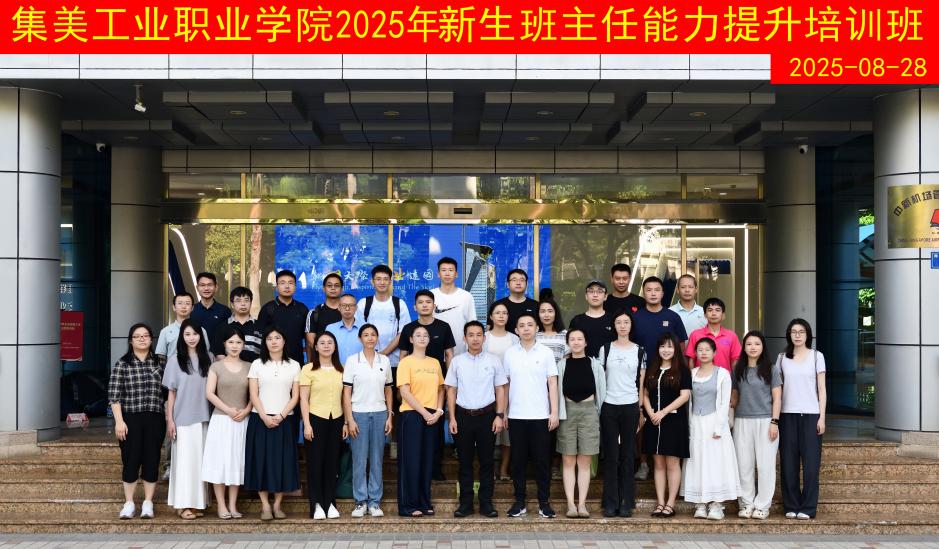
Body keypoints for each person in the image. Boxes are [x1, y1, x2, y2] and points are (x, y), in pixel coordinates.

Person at [446, 320, 507, 518]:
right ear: (464, 338)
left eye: (479, 335)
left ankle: (486, 503)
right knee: (464, 462)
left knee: (487, 461)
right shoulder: (457, 362)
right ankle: (465, 503)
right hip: (463, 416)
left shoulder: (493, 361)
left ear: (484, 337)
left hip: (487, 417)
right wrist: (452, 418)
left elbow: (500, 389)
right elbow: (451, 390)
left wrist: (499, 415)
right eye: (470, 335)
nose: (475, 339)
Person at [503, 313, 559, 519]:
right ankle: (519, 502)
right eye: (522, 325)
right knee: (518, 461)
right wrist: (504, 412)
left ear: (537, 328)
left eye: (530, 325)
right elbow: (505, 384)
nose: (526, 328)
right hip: (516, 416)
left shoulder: (546, 353)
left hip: (541, 416)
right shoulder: (510, 353)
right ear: (516, 330)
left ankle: (544, 503)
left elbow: (552, 383)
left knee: (542, 461)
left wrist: (554, 412)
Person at [631, 276, 687, 481]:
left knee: (669, 417)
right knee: (644, 417)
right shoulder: (636, 317)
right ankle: (644, 462)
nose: (653, 293)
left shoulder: (672, 317)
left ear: (663, 293)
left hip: (670, 375)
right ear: (643, 293)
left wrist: (680, 372)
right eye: (649, 290)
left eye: (657, 290)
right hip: (643, 374)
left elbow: (681, 347)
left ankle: (666, 462)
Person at [108, 323, 166, 520]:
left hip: (155, 418)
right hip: (130, 419)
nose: (142, 339)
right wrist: (119, 421)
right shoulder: (122, 364)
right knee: (130, 460)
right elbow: (114, 395)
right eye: (137, 336)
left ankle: (148, 503)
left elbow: (168, 392)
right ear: (130, 341)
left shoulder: (160, 362)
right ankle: (129, 503)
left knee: (152, 459)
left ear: (151, 339)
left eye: (146, 335)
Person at [244, 326, 301, 521]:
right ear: (265, 342)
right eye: (269, 338)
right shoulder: (257, 364)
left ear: (284, 341)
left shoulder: (294, 365)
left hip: (284, 419)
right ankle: (265, 506)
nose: (274, 341)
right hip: (259, 419)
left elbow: (295, 396)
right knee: (261, 461)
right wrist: (264, 416)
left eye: (278, 338)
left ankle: (277, 505)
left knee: (281, 462)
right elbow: (253, 394)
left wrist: (281, 415)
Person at [398, 289, 456, 481]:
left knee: (436, 430)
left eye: (428, 302)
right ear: (415, 307)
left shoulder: (443, 327)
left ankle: (435, 470)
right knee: (414, 435)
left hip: (436, 383)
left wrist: (450, 382)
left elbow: (449, 354)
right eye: (420, 302)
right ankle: (415, 473)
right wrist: (403, 385)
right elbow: (403, 355)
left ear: (434, 305)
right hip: (413, 384)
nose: (424, 305)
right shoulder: (408, 328)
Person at [682, 337, 739, 521]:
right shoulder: (691, 374)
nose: (704, 353)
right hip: (696, 423)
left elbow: (724, 402)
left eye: (707, 349)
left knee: (716, 462)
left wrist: (719, 427)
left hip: (715, 422)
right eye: (700, 350)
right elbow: (689, 401)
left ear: (714, 353)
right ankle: (700, 503)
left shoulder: (722, 374)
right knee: (698, 461)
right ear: (695, 353)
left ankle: (716, 504)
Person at [597, 309, 646, 517]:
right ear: (614, 326)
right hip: (609, 405)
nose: (623, 325)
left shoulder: (640, 351)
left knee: (627, 455)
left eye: (626, 322)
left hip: (630, 405)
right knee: (611, 455)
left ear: (631, 325)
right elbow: (600, 378)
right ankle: (610, 502)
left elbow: (641, 382)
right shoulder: (605, 349)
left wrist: (640, 409)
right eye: (619, 322)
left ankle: (626, 502)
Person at [342, 324, 394, 518]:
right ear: (360, 339)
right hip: (359, 414)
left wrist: (389, 415)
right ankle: (360, 502)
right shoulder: (352, 361)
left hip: (380, 414)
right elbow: (346, 393)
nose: (370, 338)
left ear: (377, 337)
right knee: (359, 460)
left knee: (377, 460)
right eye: (366, 335)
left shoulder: (385, 361)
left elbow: (388, 389)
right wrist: (349, 419)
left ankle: (374, 502)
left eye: (373, 334)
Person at [162, 319, 212, 520]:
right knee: (184, 464)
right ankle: (183, 505)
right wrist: (170, 420)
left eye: (195, 334)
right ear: (182, 337)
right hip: (182, 420)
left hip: (204, 419)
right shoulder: (175, 360)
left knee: (200, 464)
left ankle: (198, 504)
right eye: (187, 334)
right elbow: (171, 394)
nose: (192, 338)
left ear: (201, 336)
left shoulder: (209, 358)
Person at [778, 318, 827, 520]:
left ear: (808, 335)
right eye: (793, 332)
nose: (797, 335)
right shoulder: (782, 358)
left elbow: (822, 389)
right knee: (788, 464)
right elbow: (777, 390)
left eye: (801, 332)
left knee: (811, 466)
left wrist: (822, 417)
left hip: (811, 415)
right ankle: (791, 505)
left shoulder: (817, 356)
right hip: (787, 415)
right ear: (789, 334)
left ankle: (807, 507)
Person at [731, 330, 782, 520]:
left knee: (765, 466)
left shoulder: (771, 369)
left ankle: (762, 506)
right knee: (743, 466)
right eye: (749, 344)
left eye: (757, 344)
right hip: (742, 421)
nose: (753, 347)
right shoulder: (738, 369)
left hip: (766, 421)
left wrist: (774, 422)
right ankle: (746, 504)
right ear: (744, 347)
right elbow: (734, 397)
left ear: (763, 347)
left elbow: (777, 398)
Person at [202, 325, 251, 519]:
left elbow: (254, 394)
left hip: (242, 420)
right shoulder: (216, 367)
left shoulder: (250, 366)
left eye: (238, 342)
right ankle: (221, 506)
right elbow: (209, 393)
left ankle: (232, 505)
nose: (235, 345)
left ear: (243, 344)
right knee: (219, 462)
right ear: (224, 344)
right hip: (221, 420)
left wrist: (246, 410)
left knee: (236, 462)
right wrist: (228, 410)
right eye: (231, 342)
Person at [396, 325, 446, 517]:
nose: (422, 338)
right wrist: (425, 413)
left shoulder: (435, 362)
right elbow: (405, 391)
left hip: (433, 416)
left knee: (427, 461)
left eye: (425, 335)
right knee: (411, 460)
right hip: (412, 415)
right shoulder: (405, 362)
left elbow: (441, 389)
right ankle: (408, 505)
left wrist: (439, 411)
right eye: (418, 335)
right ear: (411, 340)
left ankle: (424, 502)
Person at [556, 329, 605, 519]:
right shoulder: (562, 364)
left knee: (584, 460)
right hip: (567, 412)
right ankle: (570, 504)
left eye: (580, 339)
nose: (576, 342)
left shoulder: (595, 364)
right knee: (568, 459)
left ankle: (582, 504)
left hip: (589, 411)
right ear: (568, 342)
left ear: (585, 342)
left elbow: (602, 391)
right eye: (572, 339)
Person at [642, 333, 691, 519]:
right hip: (654, 421)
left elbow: (685, 396)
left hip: (674, 421)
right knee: (658, 463)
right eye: (663, 346)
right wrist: (651, 413)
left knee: (672, 462)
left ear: (676, 349)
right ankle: (660, 502)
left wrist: (663, 412)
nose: (666, 350)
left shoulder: (682, 370)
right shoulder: (652, 369)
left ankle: (671, 503)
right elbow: (645, 394)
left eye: (670, 346)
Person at [300, 331, 348, 520]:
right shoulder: (308, 369)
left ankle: (330, 503)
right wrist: (306, 424)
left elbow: (345, 399)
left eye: (330, 342)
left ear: (335, 347)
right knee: (315, 464)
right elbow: (303, 399)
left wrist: (345, 422)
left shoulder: (341, 369)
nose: (326, 345)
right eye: (322, 342)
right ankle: (317, 504)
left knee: (332, 463)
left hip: (336, 420)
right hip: (315, 420)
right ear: (316, 347)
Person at [482, 301, 519, 481]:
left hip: (510, 390)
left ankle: (504, 469)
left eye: (504, 313)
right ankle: (489, 469)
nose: (501, 316)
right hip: (486, 391)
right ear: (491, 316)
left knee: (506, 433)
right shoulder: (484, 337)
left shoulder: (514, 339)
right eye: (497, 313)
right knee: (488, 432)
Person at [355, 264, 411, 368]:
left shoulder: (399, 304)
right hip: (367, 362)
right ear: (372, 282)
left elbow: (403, 333)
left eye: (385, 279)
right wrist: (375, 355)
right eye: (378, 279)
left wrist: (383, 353)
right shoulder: (363, 304)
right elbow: (359, 332)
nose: (382, 282)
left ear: (390, 282)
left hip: (394, 363)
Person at [257, 270, 309, 364]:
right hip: (272, 362)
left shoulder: (302, 309)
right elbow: (260, 338)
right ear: (277, 287)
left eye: (290, 283)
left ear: (295, 287)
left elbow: (307, 338)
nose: (287, 286)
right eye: (282, 283)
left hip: (297, 361)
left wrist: (309, 361)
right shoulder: (267, 309)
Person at [432, 256, 477, 355]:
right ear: (438, 274)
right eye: (444, 270)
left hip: (460, 350)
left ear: (456, 274)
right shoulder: (431, 295)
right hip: (434, 350)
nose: (447, 273)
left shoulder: (466, 296)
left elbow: (472, 325)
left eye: (451, 270)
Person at [686, 297, 742, 371]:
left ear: (723, 315)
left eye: (717, 310)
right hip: (700, 377)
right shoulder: (695, 335)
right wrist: (692, 377)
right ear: (705, 315)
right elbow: (691, 360)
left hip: (724, 377)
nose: (714, 313)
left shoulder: (731, 336)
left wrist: (734, 377)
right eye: (710, 310)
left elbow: (735, 360)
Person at [212, 286, 262, 363]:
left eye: (246, 300)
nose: (243, 304)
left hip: (255, 369)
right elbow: (219, 353)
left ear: (251, 303)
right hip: (229, 370)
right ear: (232, 304)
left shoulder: (261, 326)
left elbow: (265, 354)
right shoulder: (223, 327)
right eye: (238, 300)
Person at [568, 280, 615, 358]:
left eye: (599, 291)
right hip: (584, 364)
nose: (595, 295)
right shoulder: (577, 321)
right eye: (591, 291)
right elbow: (571, 347)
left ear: (605, 296)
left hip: (609, 364)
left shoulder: (614, 320)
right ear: (586, 296)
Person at [155, 292, 210, 359]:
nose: (183, 307)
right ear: (174, 307)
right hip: (172, 365)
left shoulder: (201, 330)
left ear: (192, 308)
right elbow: (161, 356)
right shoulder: (165, 331)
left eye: (187, 303)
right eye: (180, 303)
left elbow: (206, 353)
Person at [305, 273, 344, 362]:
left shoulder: (349, 312)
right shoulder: (314, 313)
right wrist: (327, 353)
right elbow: (311, 340)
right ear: (324, 289)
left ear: (342, 289)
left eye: (336, 285)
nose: (333, 288)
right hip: (322, 362)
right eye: (329, 285)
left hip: (346, 360)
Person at [192, 272, 231, 353]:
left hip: (219, 356)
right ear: (197, 288)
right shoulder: (191, 310)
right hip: (196, 355)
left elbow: (230, 335)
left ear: (216, 287)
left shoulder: (224, 311)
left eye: (210, 285)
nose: (206, 288)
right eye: (202, 285)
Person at [493, 268, 539, 333]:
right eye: (514, 280)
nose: (518, 283)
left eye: (522, 280)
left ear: (526, 284)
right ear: (507, 284)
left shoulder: (536, 305)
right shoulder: (497, 305)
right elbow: (490, 328)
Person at [324, 293, 364, 365]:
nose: (347, 308)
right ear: (339, 307)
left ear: (356, 308)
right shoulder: (330, 329)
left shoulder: (365, 328)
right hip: (337, 370)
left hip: (360, 370)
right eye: (344, 305)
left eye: (351, 305)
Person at [535, 289, 568, 363]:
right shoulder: (533, 334)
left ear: (556, 313)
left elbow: (567, 358)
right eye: (542, 311)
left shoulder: (564, 334)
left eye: (550, 311)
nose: (546, 315)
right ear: (538, 314)